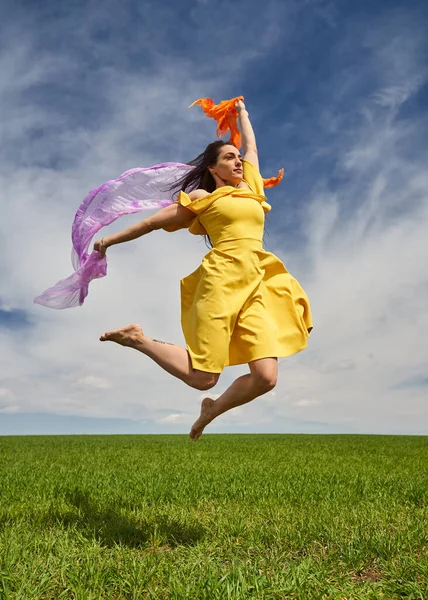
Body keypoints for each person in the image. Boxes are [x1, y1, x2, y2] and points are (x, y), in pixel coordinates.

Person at [93, 101, 312, 440]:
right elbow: (152, 222)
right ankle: (137, 339)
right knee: (203, 378)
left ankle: (211, 410)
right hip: (221, 281)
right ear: (213, 168)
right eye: (228, 158)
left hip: (257, 282)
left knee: (266, 377)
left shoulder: (251, 188)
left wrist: (243, 114)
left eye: (237, 158)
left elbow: (251, 146)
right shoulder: (201, 198)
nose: (238, 161)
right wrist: (108, 240)